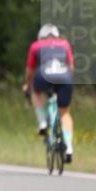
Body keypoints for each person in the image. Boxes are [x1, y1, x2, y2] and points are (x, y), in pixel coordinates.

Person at [24, 23, 75, 163]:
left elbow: (30, 70)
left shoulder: (36, 45)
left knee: (35, 91)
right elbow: (71, 67)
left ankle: (42, 123)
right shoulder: (65, 44)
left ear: (41, 36)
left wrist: (28, 84)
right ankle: (69, 147)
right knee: (65, 112)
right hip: (65, 77)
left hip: (43, 75)